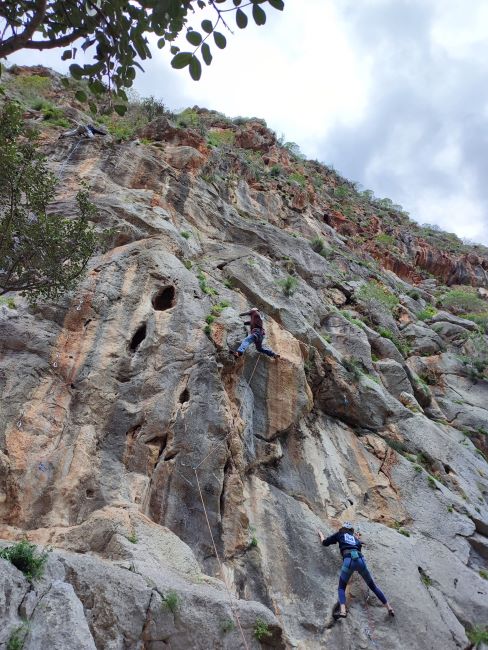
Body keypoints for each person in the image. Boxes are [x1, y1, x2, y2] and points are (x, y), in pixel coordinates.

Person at [317, 522, 394, 619]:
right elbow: (358, 546)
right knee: (373, 586)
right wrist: (357, 538)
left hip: (348, 561)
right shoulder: (355, 539)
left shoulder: (340, 534)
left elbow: (325, 543)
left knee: (341, 587)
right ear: (351, 531)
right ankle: (389, 607)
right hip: (360, 561)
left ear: (343, 528)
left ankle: (343, 611)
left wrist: (321, 534)